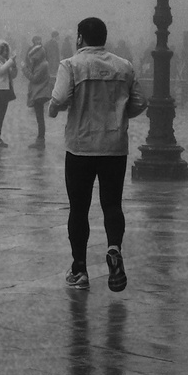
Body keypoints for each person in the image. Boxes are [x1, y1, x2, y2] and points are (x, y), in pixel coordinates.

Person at [48, 16, 146, 292]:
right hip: (114, 147)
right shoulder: (123, 65)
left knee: (79, 209)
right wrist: (119, 116)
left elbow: (59, 98)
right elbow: (140, 101)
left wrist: (55, 110)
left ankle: (79, 268)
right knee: (112, 204)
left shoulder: (71, 65)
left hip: (80, 146)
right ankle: (114, 247)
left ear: (80, 38)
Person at [24, 34, 53, 148]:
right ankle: (40, 139)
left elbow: (34, 78)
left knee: (40, 118)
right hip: (38, 92)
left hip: (39, 93)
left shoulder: (43, 65)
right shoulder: (41, 63)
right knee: (39, 118)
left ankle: (40, 140)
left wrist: (24, 70)